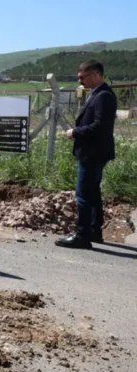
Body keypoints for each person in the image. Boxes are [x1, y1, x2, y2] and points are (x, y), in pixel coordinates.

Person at [56, 60, 117, 249]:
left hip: (93, 153)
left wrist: (75, 132)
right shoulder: (97, 94)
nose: (80, 81)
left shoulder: (103, 96)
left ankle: (82, 236)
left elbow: (101, 126)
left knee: (83, 195)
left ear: (95, 74)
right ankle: (93, 231)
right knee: (93, 192)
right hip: (94, 151)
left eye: (82, 77)